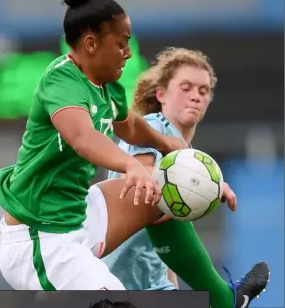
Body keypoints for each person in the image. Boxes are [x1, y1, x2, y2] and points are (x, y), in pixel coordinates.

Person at [0, 0, 187, 291]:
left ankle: (219, 298)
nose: (127, 52)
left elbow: (129, 126)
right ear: (91, 44)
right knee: (114, 299)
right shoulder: (61, 81)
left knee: (165, 193)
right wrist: (131, 165)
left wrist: (167, 145)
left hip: (76, 216)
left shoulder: (108, 84)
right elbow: (82, 137)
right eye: (120, 44)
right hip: (39, 240)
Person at [103, 48, 270, 308]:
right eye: (186, 87)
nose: (195, 96)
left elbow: (168, 245)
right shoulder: (154, 127)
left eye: (203, 91)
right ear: (161, 94)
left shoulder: (187, 162)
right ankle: (227, 300)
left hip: (151, 286)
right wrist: (210, 183)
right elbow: (144, 186)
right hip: (118, 284)